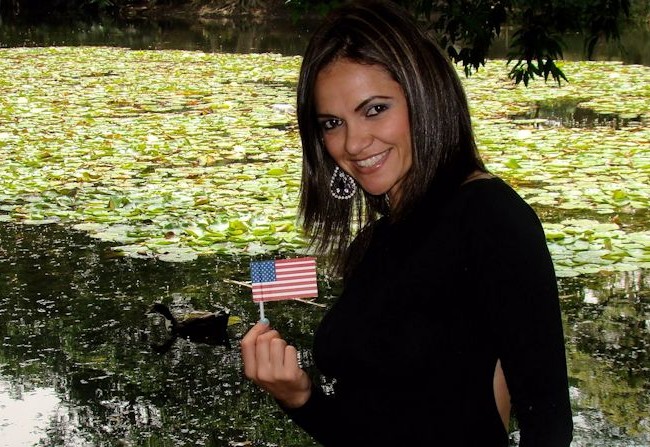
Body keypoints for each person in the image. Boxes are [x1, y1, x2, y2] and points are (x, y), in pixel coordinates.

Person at [240, 1, 574, 445]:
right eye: (332, 123)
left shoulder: (489, 217)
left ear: (424, 96)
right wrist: (299, 397)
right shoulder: (373, 242)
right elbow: (370, 428)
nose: (353, 143)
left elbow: (548, 425)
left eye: (375, 109)